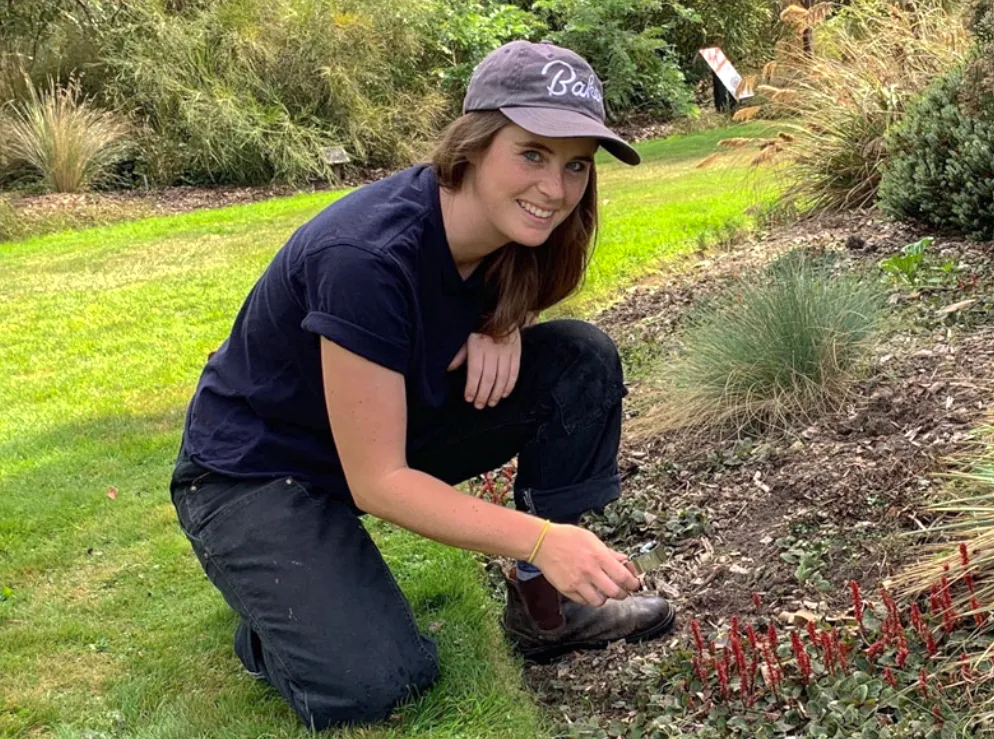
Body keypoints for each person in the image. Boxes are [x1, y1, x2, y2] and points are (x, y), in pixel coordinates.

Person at [169, 39, 676, 730]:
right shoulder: (364, 257)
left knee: (578, 361)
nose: (555, 190)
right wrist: (540, 538)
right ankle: (275, 619)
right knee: (380, 682)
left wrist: (504, 321)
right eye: (532, 153)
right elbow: (379, 481)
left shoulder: (515, 232)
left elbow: (484, 291)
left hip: (379, 429)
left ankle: (546, 611)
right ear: (472, 146)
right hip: (254, 471)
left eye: (576, 165)